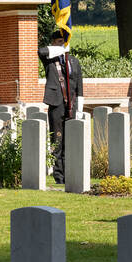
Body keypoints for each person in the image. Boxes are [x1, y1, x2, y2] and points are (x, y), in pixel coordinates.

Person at [38, 29, 83, 185]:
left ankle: (70, 174)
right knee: (57, 142)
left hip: (71, 106)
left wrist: (80, 109)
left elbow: (79, 87)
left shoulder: (74, 61)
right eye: (59, 41)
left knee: (69, 143)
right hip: (56, 104)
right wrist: (59, 49)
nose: (62, 44)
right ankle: (59, 177)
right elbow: (40, 51)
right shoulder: (50, 59)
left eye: (64, 41)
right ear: (53, 43)